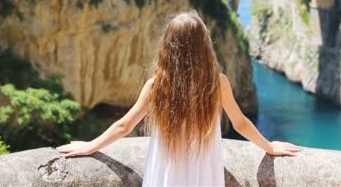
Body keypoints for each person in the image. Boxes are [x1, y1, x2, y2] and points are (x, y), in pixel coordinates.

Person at [58, 11, 299, 186]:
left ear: (168, 47)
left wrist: (90, 146)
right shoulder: (217, 83)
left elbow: (125, 125)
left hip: (165, 176)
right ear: (204, 46)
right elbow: (241, 123)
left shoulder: (157, 86)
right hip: (203, 176)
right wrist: (269, 147)